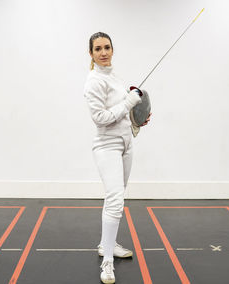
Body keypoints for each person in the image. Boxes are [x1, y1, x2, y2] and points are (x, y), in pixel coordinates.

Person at [83, 32, 151, 284]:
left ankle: (106, 245)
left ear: (113, 49)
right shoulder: (93, 82)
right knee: (115, 201)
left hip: (126, 144)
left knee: (117, 195)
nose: (103, 52)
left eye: (107, 47)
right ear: (90, 54)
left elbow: (124, 112)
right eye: (98, 48)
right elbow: (100, 118)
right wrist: (128, 102)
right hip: (106, 146)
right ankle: (107, 262)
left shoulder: (115, 77)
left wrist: (137, 117)